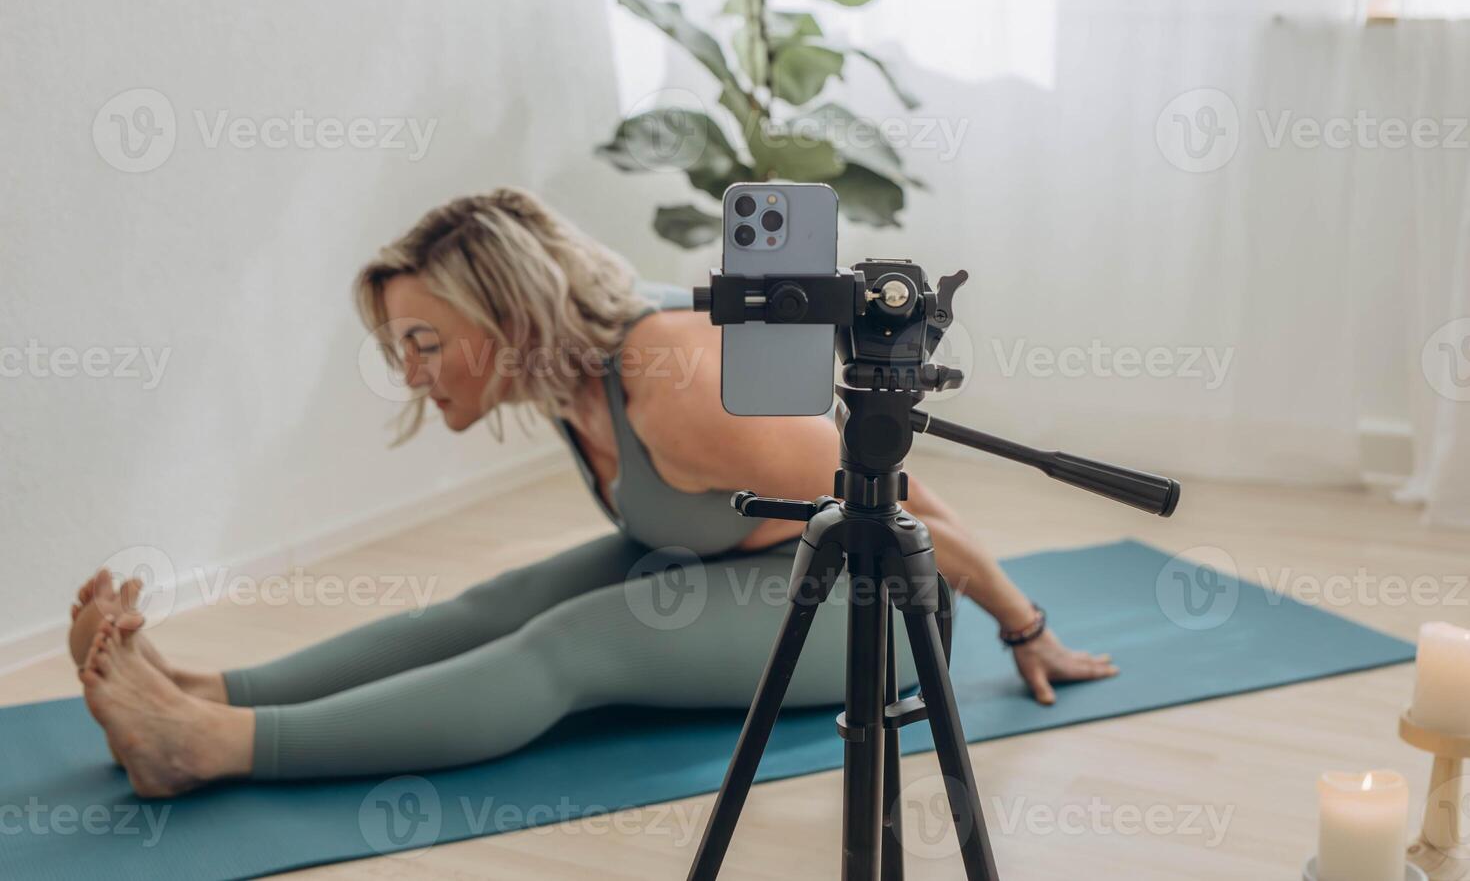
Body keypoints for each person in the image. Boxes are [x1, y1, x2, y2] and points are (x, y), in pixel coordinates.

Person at [70, 187, 1118, 798]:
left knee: (575, 642)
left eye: (425, 342)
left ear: (503, 310)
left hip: (871, 615)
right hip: (743, 566)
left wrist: (1026, 627)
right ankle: (219, 690)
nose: (412, 371)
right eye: (400, 349)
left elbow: (897, 511)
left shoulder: (679, 384)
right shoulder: (575, 380)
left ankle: (210, 747)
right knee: (498, 604)